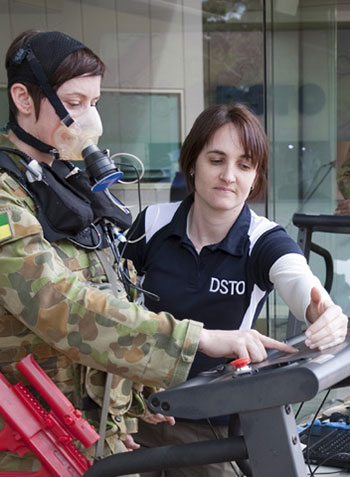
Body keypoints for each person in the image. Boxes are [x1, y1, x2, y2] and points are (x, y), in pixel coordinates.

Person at [0, 30, 300, 474]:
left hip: (99, 435)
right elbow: (63, 305)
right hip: (34, 443)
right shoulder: (9, 196)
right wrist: (198, 339)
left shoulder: (65, 185)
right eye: (76, 101)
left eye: (95, 102)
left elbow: (114, 295)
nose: (88, 118)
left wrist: (137, 390)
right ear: (24, 98)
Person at [122, 103, 349, 477]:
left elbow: (298, 281)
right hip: (138, 416)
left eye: (244, 165)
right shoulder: (151, 223)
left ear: (255, 176)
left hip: (211, 428)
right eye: (216, 159)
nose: (229, 175)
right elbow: (112, 308)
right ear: (192, 162)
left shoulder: (263, 239)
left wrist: (326, 313)